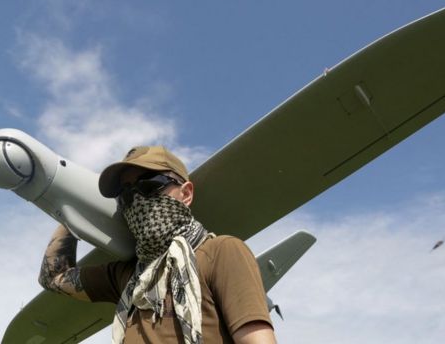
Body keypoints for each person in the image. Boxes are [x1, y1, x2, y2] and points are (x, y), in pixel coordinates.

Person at [38, 146, 276, 344]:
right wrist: (74, 210)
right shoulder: (127, 277)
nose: (138, 200)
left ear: (186, 193)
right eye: (126, 196)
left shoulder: (221, 252)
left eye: (150, 185)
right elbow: (53, 277)